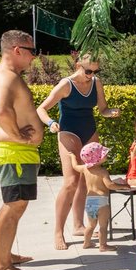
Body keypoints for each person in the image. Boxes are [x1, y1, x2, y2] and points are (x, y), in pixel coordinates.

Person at [37, 54, 120, 250]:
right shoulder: (66, 85)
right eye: (88, 71)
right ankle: (58, 231)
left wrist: (111, 113)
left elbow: (103, 109)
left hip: (89, 131)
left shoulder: (96, 83)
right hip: (68, 132)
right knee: (71, 181)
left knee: (87, 178)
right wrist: (50, 123)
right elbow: (42, 108)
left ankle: (78, 226)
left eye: (95, 71)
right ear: (78, 66)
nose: (92, 75)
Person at [0, 30, 44, 270]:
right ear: (17, 50)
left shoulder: (4, 76)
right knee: (13, 206)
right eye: (32, 51)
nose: (34, 57)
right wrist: (19, 137)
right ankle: (1, 266)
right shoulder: (6, 77)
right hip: (14, 153)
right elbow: (1, 109)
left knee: (17, 206)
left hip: (18, 154)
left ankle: (5, 255)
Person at [69, 141, 131, 251]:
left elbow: (74, 166)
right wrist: (123, 186)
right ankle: (103, 245)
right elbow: (110, 185)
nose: (106, 155)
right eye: (103, 154)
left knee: (91, 225)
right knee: (103, 225)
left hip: (89, 201)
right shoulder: (103, 171)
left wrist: (72, 156)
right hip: (101, 201)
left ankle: (86, 243)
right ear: (97, 158)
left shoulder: (84, 168)